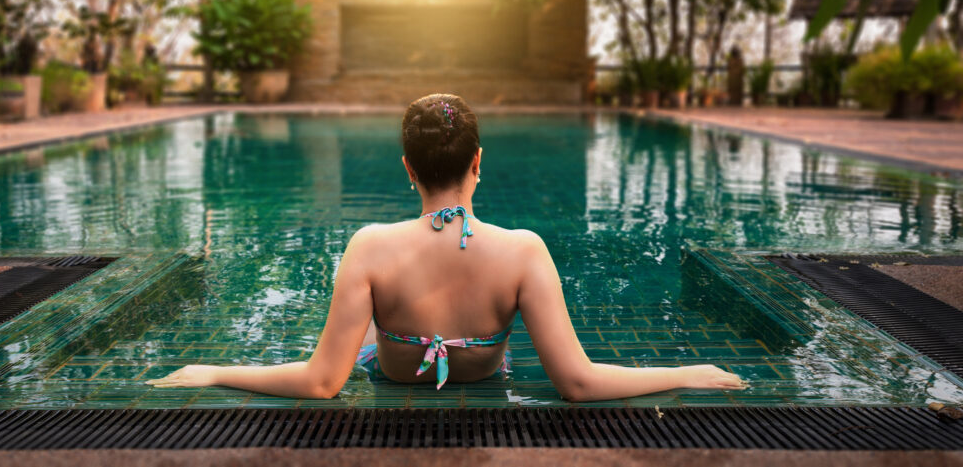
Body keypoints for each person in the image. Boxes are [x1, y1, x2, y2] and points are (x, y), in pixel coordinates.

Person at [147, 93, 747, 400]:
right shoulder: (524, 251)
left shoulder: (369, 247)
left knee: (366, 336)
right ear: (478, 163)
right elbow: (580, 383)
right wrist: (685, 372)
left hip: (393, 375)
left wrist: (215, 371)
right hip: (482, 374)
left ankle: (388, 327)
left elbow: (320, 382)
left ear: (408, 168)